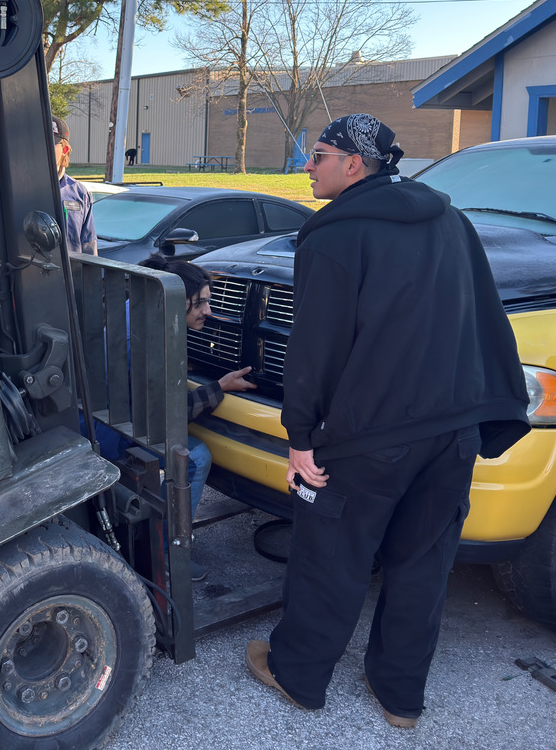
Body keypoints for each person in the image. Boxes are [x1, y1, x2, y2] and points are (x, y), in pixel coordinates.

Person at [245, 114, 530, 727]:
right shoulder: (452, 220)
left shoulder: (331, 235)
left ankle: (297, 674)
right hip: (451, 431)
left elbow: (314, 349)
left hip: (367, 436)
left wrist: (300, 439)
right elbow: (486, 315)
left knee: (331, 557)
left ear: (353, 164)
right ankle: (400, 697)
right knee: (423, 565)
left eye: (318, 155)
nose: (307, 166)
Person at [93, 254, 254, 582]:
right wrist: (220, 387)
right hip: (113, 433)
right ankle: (168, 554)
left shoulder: (136, 313)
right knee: (195, 457)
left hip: (103, 416)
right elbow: (169, 414)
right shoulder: (149, 340)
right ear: (177, 299)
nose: (208, 311)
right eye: (202, 303)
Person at [53, 116, 97, 255]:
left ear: (64, 149)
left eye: (48, 143)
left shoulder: (79, 193)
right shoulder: (19, 191)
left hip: (71, 274)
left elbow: (88, 245)